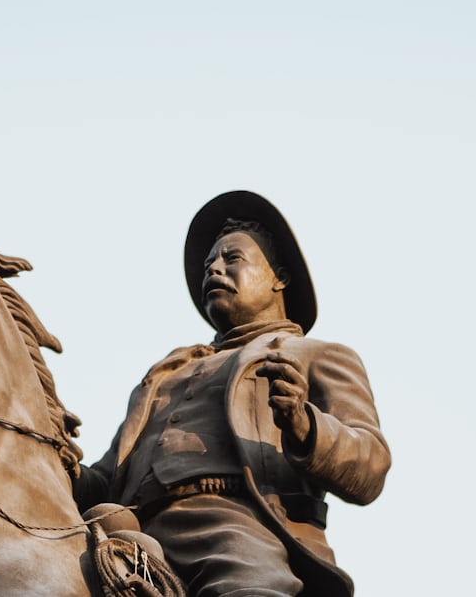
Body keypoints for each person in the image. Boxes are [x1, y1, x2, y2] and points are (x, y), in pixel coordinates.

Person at [73, 191, 391, 597]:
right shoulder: (168, 371)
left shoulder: (317, 356)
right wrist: (60, 460)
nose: (214, 270)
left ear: (280, 277)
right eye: (209, 265)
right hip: (125, 528)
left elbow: (371, 465)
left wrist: (304, 423)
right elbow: (107, 476)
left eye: (231, 259)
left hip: (234, 527)